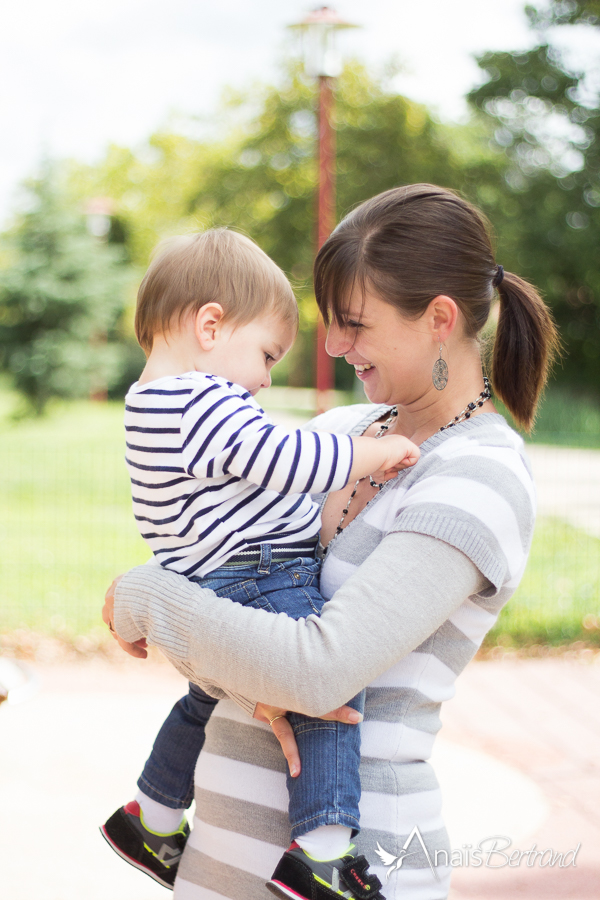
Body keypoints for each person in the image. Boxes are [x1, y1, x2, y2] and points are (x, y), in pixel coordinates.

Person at [104, 184, 559, 900]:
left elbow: (318, 673)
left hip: (358, 863)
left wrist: (143, 596)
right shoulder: (339, 435)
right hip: (220, 859)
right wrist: (244, 673)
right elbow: (234, 611)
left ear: (439, 319)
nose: (335, 346)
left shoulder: (478, 476)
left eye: (354, 323)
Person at [99, 228, 420, 893]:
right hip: (263, 571)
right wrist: (376, 454)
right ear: (211, 326)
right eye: (267, 355)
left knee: (208, 693)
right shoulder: (204, 400)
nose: (266, 380)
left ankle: (153, 819)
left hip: (208, 573)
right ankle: (323, 853)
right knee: (329, 689)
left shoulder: (146, 402)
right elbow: (289, 460)